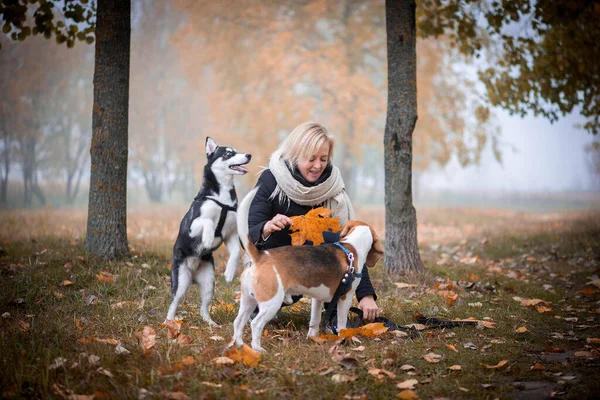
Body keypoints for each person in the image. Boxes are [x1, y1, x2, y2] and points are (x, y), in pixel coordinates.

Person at [246, 121, 380, 328]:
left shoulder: (333, 190)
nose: (318, 166)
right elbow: (251, 227)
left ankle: (334, 314)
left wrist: (366, 295)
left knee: (334, 247)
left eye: (323, 159)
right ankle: (261, 308)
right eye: (311, 159)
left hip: (319, 270)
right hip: (277, 264)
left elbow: (352, 249)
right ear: (295, 154)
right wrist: (265, 227)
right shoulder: (271, 180)